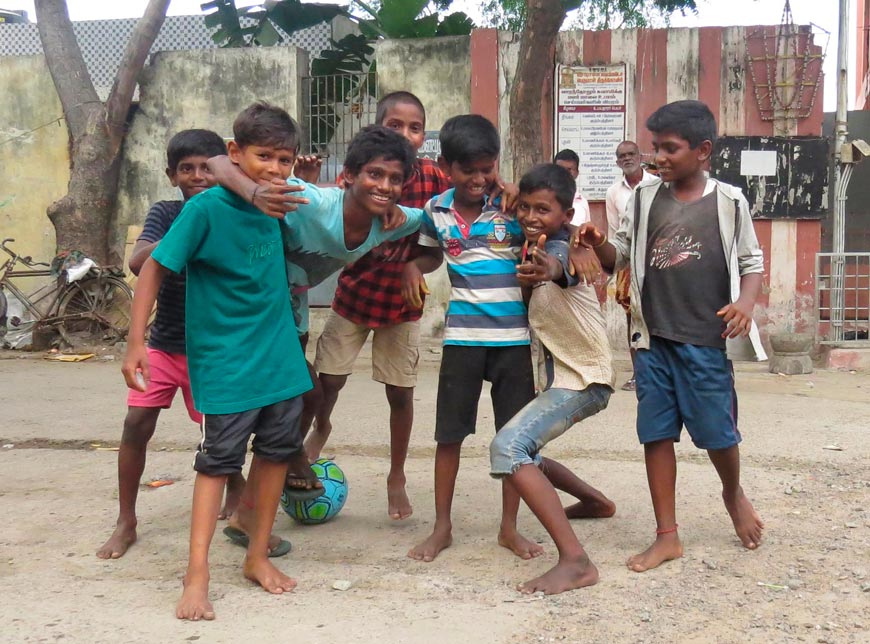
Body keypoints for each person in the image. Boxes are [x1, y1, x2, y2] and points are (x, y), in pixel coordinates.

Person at [123, 102, 313, 620]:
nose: (275, 169)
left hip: (279, 359)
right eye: (264, 157)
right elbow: (153, 270)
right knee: (217, 464)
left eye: (284, 159)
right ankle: (197, 572)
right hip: (226, 363)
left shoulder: (281, 205)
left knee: (275, 454)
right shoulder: (204, 210)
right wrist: (136, 341)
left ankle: (256, 554)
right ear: (235, 154)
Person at [574, 100, 766, 573]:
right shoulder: (642, 199)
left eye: (669, 148)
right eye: (654, 147)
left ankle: (731, 492)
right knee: (655, 434)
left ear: (702, 151)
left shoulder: (728, 201)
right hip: (651, 340)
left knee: (718, 435)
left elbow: (751, 264)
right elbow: (618, 256)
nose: (658, 157)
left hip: (705, 339)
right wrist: (598, 242)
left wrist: (744, 305)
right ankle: (667, 535)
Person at [96, 129, 243, 561]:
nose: (198, 176)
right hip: (163, 345)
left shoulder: (232, 212)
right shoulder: (166, 213)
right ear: (172, 175)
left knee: (220, 432)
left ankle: (237, 490)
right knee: (136, 424)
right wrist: (186, 231)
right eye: (187, 169)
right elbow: (139, 261)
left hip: (211, 349)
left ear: (226, 170)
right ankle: (127, 519)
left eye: (207, 168)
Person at [401, 114, 542, 563]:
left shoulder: (512, 206)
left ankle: (509, 528)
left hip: (514, 342)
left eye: (488, 167)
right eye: (469, 170)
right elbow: (426, 255)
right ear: (446, 166)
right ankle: (441, 526)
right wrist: (410, 266)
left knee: (515, 438)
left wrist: (522, 204)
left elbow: (547, 232)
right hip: (462, 340)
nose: (480, 178)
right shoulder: (436, 211)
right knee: (449, 435)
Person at [307, 92, 450, 521]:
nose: (404, 134)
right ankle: (322, 426)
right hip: (354, 295)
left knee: (400, 393)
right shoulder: (364, 174)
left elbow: (439, 248)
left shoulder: (436, 182)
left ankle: (397, 474)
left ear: (425, 135)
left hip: (402, 305)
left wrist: (414, 265)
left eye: (415, 127)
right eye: (394, 125)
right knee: (327, 381)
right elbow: (332, 215)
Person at [490, 163, 616, 595]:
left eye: (542, 209)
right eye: (524, 207)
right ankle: (597, 502)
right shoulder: (531, 245)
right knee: (528, 455)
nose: (529, 216)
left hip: (584, 379)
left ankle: (576, 561)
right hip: (564, 377)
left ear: (566, 215)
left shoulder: (565, 247)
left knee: (509, 448)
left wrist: (549, 269)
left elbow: (562, 265)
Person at [604, 140, 655, 391]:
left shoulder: (654, 184)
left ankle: (657, 371)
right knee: (632, 317)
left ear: (640, 155)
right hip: (629, 264)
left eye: (631, 154)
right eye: (621, 156)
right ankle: (638, 373)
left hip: (656, 262)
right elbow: (615, 233)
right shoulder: (613, 192)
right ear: (617, 162)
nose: (627, 159)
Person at [553, 148, 591, 225]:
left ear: (577, 173)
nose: (564, 174)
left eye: (569, 170)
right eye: (560, 169)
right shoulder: (546, 199)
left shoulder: (582, 202)